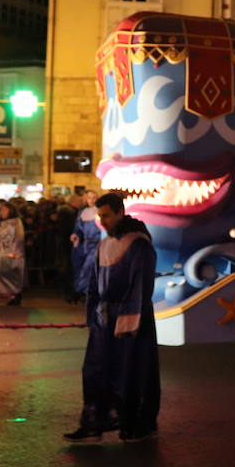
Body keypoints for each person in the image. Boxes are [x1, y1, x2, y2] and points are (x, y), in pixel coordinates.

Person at [64, 193, 160, 443]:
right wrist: (94, 315)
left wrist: (128, 320)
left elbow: (141, 286)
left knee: (132, 371)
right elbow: (95, 283)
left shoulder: (138, 244)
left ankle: (136, 423)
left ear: (120, 212)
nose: (102, 221)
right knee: (96, 370)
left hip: (132, 320)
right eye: (100, 216)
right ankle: (94, 422)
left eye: (106, 215)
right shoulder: (105, 244)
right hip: (105, 319)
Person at [0, 202, 26, 306]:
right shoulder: (0, 223)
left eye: (4, 210)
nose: (2, 212)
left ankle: (14, 294)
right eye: (1, 210)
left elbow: (18, 238)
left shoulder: (16, 222)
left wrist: (14, 252)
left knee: (6, 272)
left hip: (9, 252)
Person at [69, 190, 102, 303]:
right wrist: (75, 235)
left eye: (94, 197)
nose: (92, 200)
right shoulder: (82, 212)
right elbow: (78, 228)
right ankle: (80, 292)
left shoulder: (100, 211)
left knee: (88, 269)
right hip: (83, 245)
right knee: (79, 268)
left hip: (96, 244)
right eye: (89, 197)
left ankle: (85, 292)